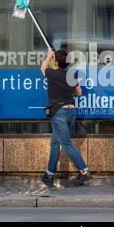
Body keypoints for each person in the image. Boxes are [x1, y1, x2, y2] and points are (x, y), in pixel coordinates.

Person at [40, 49, 91, 186]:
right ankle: (49, 174)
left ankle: (84, 171)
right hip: (71, 112)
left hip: (59, 113)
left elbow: (43, 67)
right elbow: (79, 93)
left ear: (56, 62)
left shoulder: (52, 73)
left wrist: (48, 56)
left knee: (66, 144)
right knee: (55, 143)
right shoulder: (70, 75)